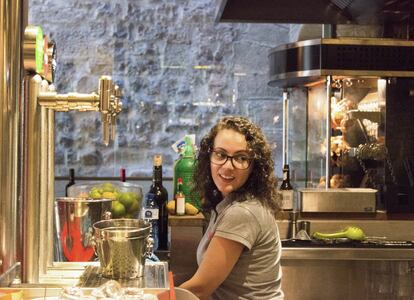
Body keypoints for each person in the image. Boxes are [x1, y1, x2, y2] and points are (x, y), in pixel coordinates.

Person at [180, 116, 284, 299]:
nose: (228, 166)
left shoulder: (242, 213)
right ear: (209, 156)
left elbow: (199, 289)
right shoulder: (228, 203)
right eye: (220, 154)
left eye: (241, 158)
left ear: (254, 166)